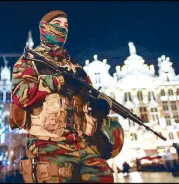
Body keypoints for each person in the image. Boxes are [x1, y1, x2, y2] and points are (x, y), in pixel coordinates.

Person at [11, 10, 124, 183]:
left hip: (82, 144)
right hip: (47, 144)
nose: (63, 29)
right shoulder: (29, 62)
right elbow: (21, 94)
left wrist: (100, 103)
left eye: (66, 26)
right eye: (57, 24)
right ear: (44, 28)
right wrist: (57, 80)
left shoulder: (75, 66)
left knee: (104, 176)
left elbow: (90, 94)